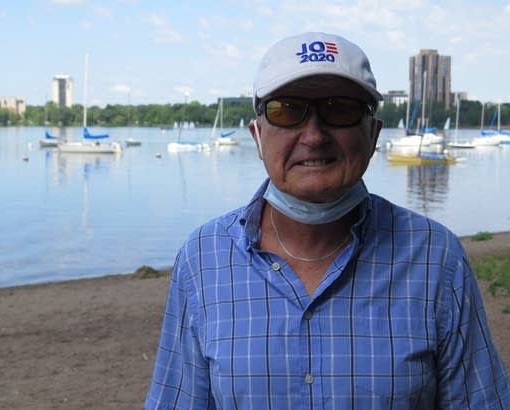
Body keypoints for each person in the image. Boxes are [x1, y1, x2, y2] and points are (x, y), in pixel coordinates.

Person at [146, 32, 510, 409]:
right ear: (257, 136)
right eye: (287, 110)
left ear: (373, 135)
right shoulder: (204, 258)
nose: (314, 135)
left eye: (340, 109)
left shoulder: (436, 258)